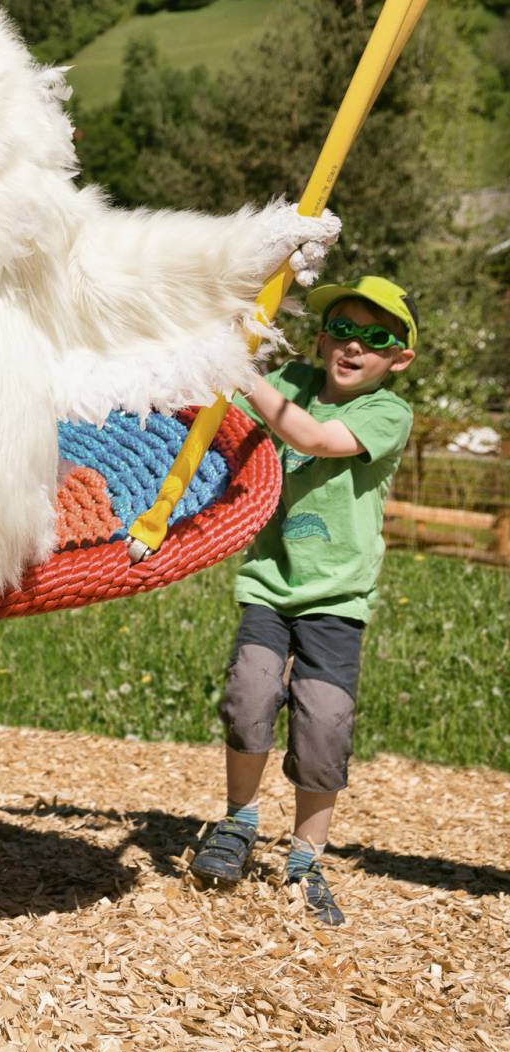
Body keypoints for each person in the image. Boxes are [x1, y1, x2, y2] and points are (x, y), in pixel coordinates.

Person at [190, 276, 418, 927]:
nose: (354, 344)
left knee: (323, 726)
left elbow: (315, 440)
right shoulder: (287, 379)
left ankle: (306, 857)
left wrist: (242, 375)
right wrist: (230, 350)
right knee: (248, 695)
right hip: (270, 581)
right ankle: (237, 823)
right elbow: (231, 416)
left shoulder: (387, 413)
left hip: (337, 599)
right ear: (321, 339)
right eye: (342, 329)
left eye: (376, 337)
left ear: (398, 358)